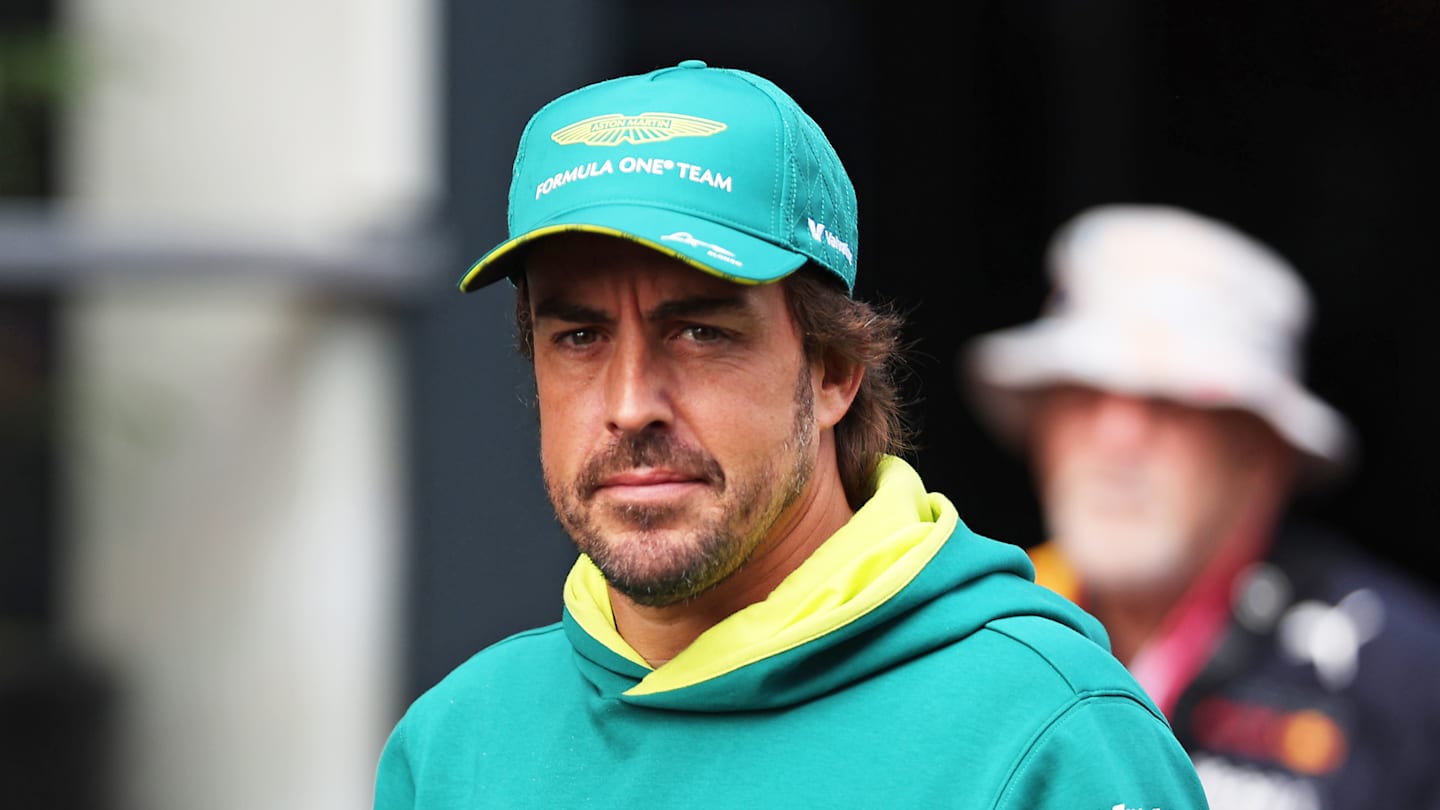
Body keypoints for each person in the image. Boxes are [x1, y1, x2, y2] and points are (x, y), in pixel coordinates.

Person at [373, 60, 1209, 809]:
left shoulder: (1048, 736)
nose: (630, 404)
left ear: (835, 370)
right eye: (579, 337)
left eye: (699, 331)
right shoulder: (456, 745)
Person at [961, 203, 1440, 809]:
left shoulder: (1408, 683)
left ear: (1262, 454)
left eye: (1168, 402)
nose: (1117, 440)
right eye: (1081, 393)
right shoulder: (977, 632)